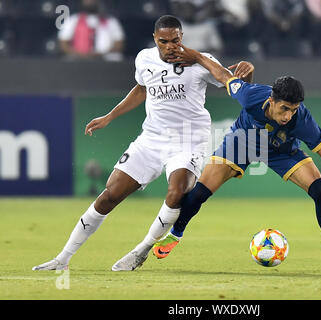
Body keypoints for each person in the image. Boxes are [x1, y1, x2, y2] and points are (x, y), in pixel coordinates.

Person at [32, 15, 254, 271]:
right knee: (108, 196)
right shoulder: (144, 58)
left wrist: (212, 62)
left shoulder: (200, 61)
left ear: (182, 37)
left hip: (188, 139)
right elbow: (141, 88)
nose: (170, 46)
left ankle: (142, 249)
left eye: (175, 40)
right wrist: (110, 116)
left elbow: (233, 82)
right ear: (154, 39)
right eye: (164, 41)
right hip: (151, 138)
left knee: (177, 191)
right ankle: (62, 259)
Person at [152, 43, 321, 272]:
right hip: (241, 143)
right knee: (199, 194)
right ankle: (175, 234)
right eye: (285, 108)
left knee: (320, 191)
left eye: (293, 110)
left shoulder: (302, 120)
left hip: (281, 150)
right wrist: (196, 56)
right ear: (272, 100)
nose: (288, 116)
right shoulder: (251, 97)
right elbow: (224, 75)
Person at [58, 0, 125, 61]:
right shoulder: (72, 20)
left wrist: (100, 54)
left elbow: (119, 44)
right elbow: (63, 44)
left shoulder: (111, 21)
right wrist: (82, 55)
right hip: (78, 61)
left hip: (106, 62)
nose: (90, 1)